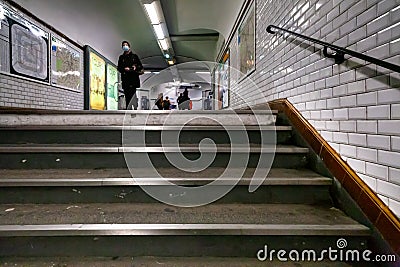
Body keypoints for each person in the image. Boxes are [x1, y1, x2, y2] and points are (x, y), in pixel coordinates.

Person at [117, 41, 143, 110]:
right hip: (125, 79)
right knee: (127, 95)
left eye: (126, 45)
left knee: (132, 94)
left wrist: (135, 67)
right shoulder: (121, 57)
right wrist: (124, 69)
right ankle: (129, 109)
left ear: (129, 46)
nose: (125, 46)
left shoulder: (134, 56)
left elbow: (140, 66)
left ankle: (134, 106)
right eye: (123, 45)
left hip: (133, 78)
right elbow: (119, 68)